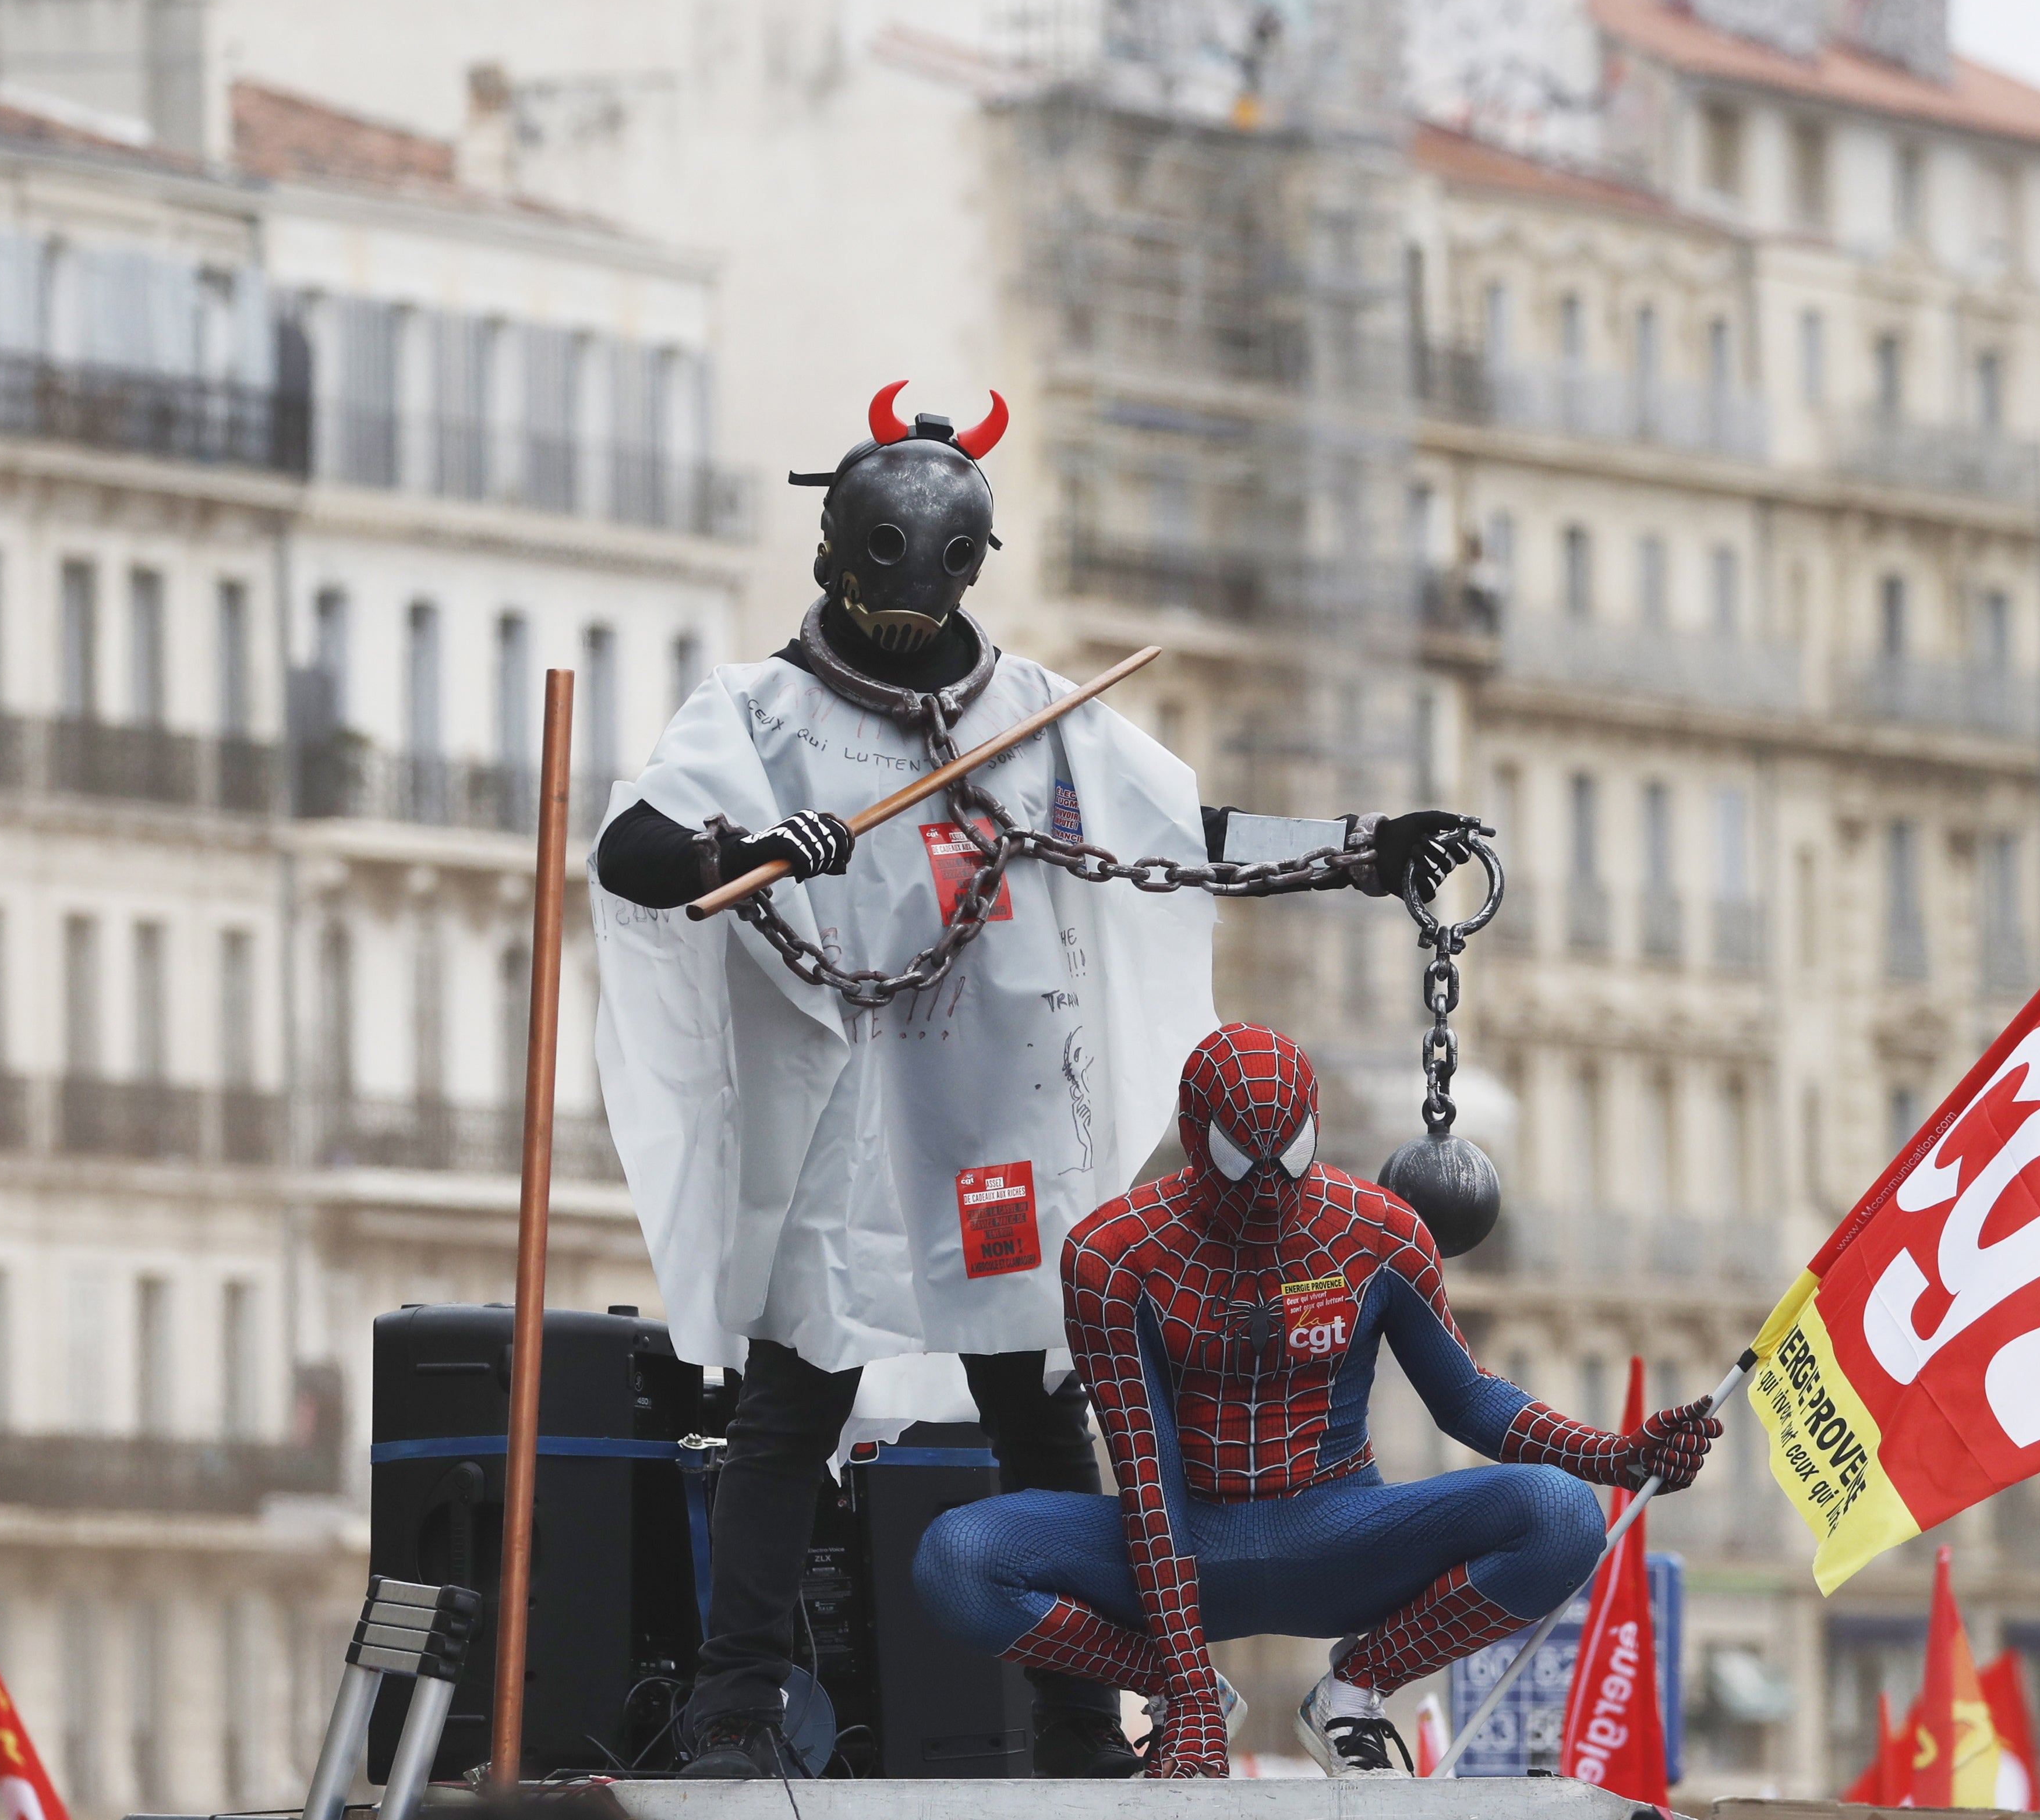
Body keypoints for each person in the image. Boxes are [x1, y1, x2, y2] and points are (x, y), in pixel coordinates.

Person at [589, 387, 1482, 1778]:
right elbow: (634, 850)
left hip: (999, 1121)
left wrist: (1366, 847)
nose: (899, 610)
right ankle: (732, 1703)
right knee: (790, 1408)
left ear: (967, 569)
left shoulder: (1037, 718)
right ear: (832, 554)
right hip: (842, 1121)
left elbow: (1193, 835)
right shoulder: (755, 714)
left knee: (1040, 1414)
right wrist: (743, 848)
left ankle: (1082, 1726)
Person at [911, 1023, 1725, 1777]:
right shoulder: (1113, 1256)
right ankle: (1179, 1687)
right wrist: (1188, 1685)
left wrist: (1620, 1456)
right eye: (1242, 1162)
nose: (1268, 1187)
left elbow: (1468, 1399)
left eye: (1289, 1155)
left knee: (1564, 1514)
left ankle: (1354, 1692)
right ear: (1196, 1140)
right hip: (1187, 1535)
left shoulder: (1381, 1231)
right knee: (958, 1559)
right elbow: (1147, 1469)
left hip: (1341, 1532)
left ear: (1317, 1126)